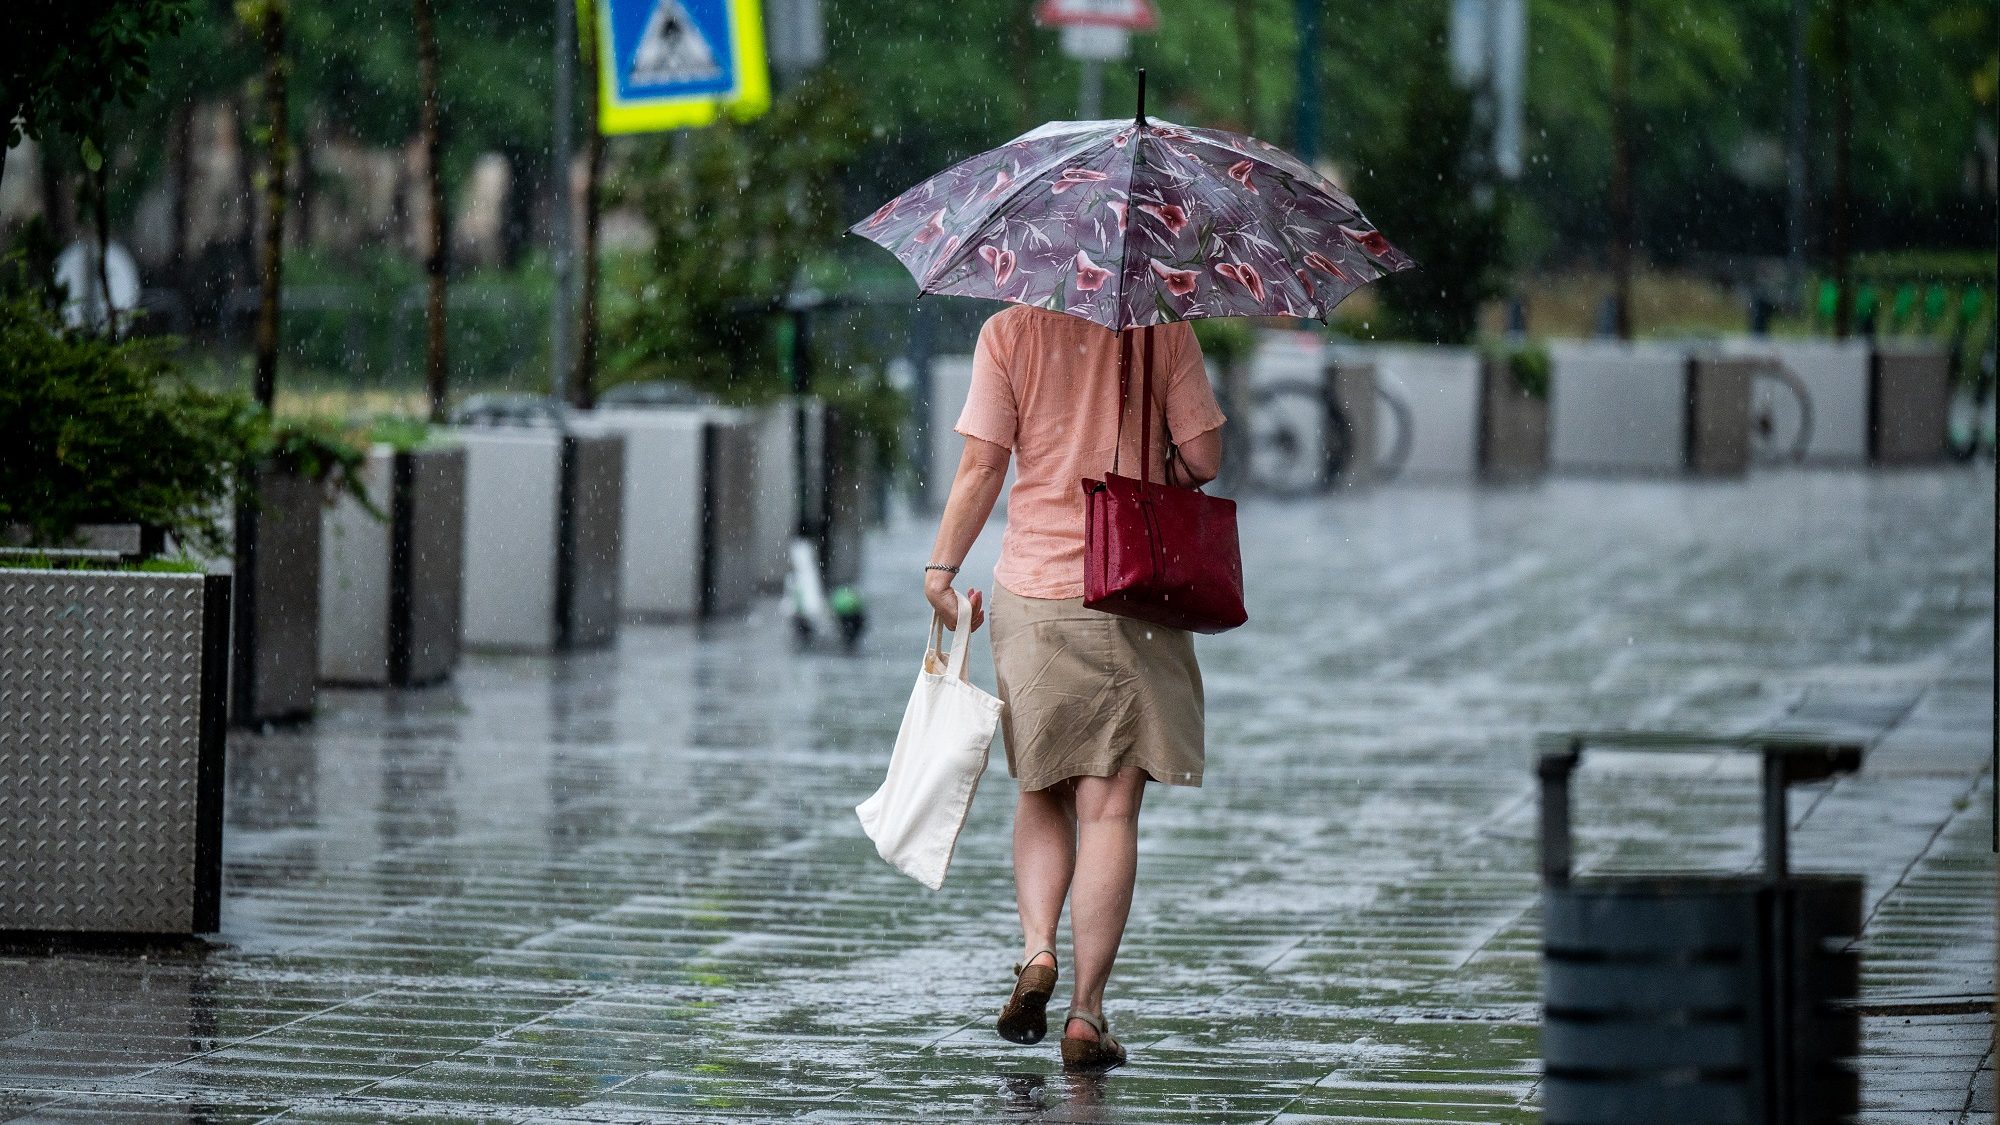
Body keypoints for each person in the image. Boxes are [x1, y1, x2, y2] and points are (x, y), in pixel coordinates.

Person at [922, 303, 1226, 1072]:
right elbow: (1205, 456)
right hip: (1132, 585)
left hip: (1035, 591)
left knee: (1041, 786)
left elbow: (984, 464)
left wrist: (941, 569)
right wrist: (1156, 454)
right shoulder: (1161, 328)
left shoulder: (1010, 331)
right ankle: (1087, 1013)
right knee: (1111, 805)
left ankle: (1036, 950)